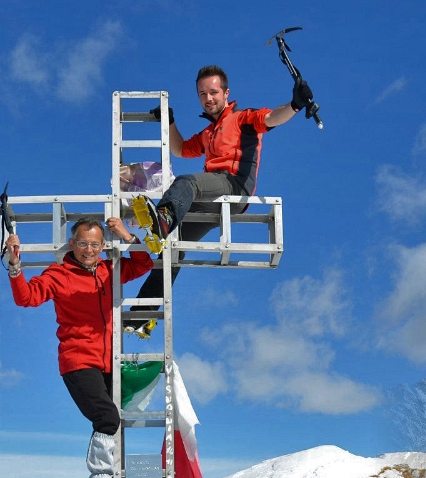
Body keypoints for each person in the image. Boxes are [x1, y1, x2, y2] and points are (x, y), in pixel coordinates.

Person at [129, 64, 313, 334]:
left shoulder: (241, 118)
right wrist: (168, 122)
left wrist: (295, 104)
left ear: (226, 93)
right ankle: (142, 315)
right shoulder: (209, 133)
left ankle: (163, 220)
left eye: (213, 92)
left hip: (233, 186)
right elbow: (180, 149)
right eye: (202, 94)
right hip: (212, 197)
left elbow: (272, 118)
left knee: (186, 182)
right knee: (173, 249)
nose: (208, 99)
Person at [4, 217, 151, 478]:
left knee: (114, 423)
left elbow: (144, 264)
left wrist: (127, 234)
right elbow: (26, 298)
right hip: (77, 359)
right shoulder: (58, 274)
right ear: (72, 244)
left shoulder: (110, 270)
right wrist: (15, 266)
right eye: (83, 243)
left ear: (103, 246)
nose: (88, 250)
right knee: (108, 418)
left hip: (108, 362)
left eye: (95, 244)